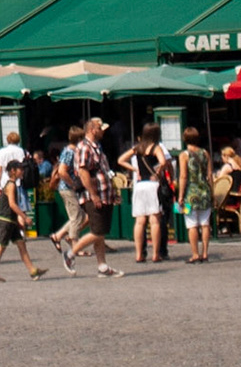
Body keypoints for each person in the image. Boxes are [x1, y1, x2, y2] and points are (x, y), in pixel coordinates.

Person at [61, 118, 121, 277]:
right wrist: (93, 195)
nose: (103, 131)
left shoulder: (97, 147)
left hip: (104, 193)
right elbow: (83, 172)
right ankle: (70, 254)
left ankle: (102, 266)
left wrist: (113, 193)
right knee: (97, 232)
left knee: (99, 233)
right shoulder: (84, 147)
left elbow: (103, 171)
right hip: (93, 195)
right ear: (92, 129)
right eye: (100, 128)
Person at [0, 157, 44, 282]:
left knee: (21, 244)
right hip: (6, 220)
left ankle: (33, 271)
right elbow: (12, 204)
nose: (22, 171)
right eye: (20, 169)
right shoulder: (11, 185)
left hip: (11, 221)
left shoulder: (12, 184)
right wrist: (24, 217)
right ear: (13, 171)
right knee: (1, 247)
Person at [121, 126, 168, 264]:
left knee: (140, 221)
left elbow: (121, 160)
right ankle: (155, 254)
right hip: (152, 185)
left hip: (140, 186)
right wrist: (157, 172)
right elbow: (163, 162)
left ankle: (139, 254)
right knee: (154, 220)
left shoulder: (138, 148)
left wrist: (135, 169)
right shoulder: (156, 148)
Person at [176, 126, 214, 263]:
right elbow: (210, 174)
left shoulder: (184, 155)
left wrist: (180, 195)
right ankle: (205, 253)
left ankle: (195, 254)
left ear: (184, 139)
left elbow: (183, 176)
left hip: (190, 193)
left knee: (191, 224)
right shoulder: (205, 153)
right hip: (204, 191)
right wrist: (212, 192)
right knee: (205, 223)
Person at [48, 138, 85, 259]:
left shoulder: (71, 151)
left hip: (68, 188)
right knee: (76, 217)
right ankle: (75, 247)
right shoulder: (69, 152)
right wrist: (73, 184)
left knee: (80, 216)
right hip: (67, 188)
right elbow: (62, 171)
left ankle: (57, 236)